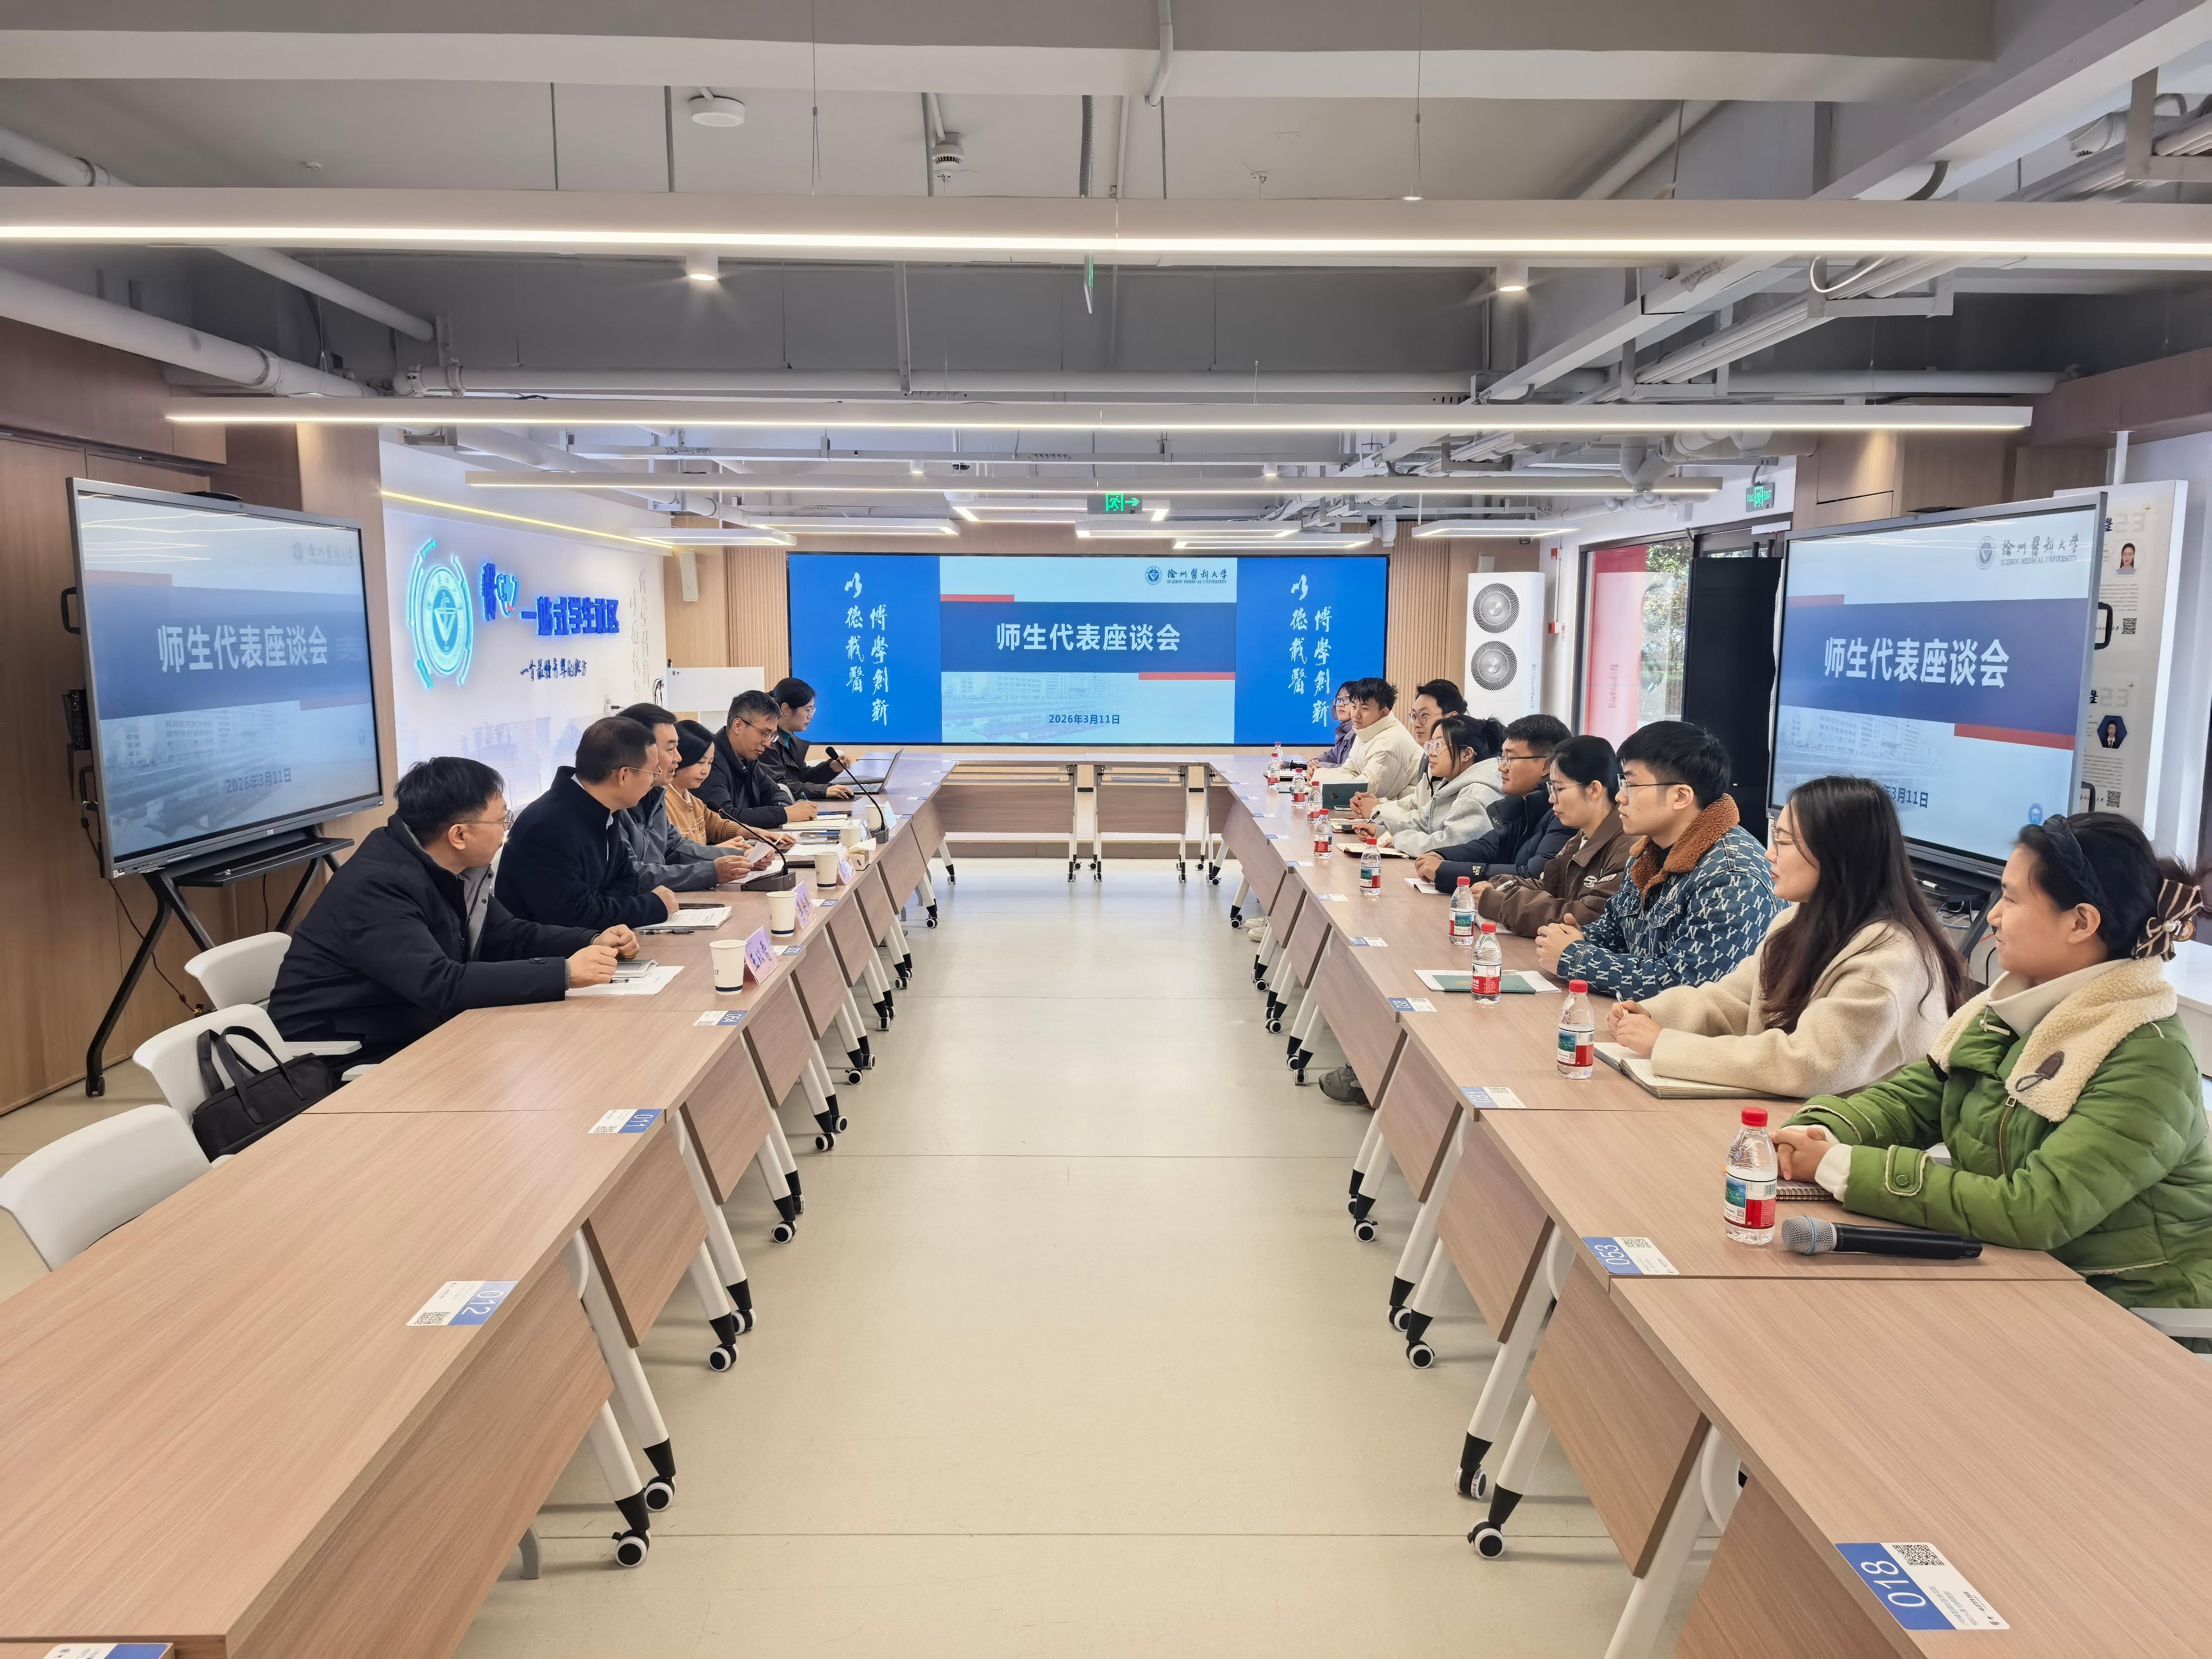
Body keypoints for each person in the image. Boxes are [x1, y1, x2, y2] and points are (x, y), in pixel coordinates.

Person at [1774, 813, 2212, 1310]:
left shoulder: (2149, 1057)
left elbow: (2037, 1210)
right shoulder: (2011, 1009)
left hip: (2128, 1307)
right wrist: (1821, 1131)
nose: (1995, 916)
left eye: (2012, 898)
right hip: (2021, 1274)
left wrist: (1844, 1167)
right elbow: (1914, 1101)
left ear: (2081, 922)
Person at [1605, 774, 1967, 1098]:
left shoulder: (1888, 960)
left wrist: (1664, 1043)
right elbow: (1735, 1001)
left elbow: (1808, 1064)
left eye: (1783, 842)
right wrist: (1654, 1013)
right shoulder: (1797, 919)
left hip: (1853, 1138)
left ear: (1836, 853)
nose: (1769, 854)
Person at [269, 757, 632, 1064]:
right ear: (459, 835)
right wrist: (563, 973)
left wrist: (590, 940)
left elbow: (507, 935)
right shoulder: (377, 886)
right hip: (344, 1056)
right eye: (501, 820)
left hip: (410, 1028)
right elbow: (439, 984)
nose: (506, 831)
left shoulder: (452, 868)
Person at [1540, 720, 1781, 998]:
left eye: (1631, 785)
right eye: (1622, 783)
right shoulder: (1648, 852)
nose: (1620, 797)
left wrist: (1576, 958)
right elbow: (1616, 930)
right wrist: (1577, 938)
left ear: (1681, 796)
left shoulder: (1733, 876)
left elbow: (1688, 985)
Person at [494, 716, 680, 930]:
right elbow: (572, 916)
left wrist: (598, 905)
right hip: (550, 949)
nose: (654, 779)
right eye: (653, 772)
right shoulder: (548, 826)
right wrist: (653, 906)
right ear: (624, 775)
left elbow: (628, 881)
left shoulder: (605, 810)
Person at [1472, 734, 1635, 937]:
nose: (1551, 799)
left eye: (1559, 788)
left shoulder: (1628, 846)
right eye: (1551, 788)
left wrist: (1500, 903)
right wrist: (1498, 885)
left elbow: (1590, 917)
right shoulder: (1582, 837)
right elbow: (1549, 885)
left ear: (1594, 789)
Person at [614, 702, 764, 891]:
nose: (679, 758)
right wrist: (712, 871)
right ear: (638, 753)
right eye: (671, 749)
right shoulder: (612, 808)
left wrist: (739, 858)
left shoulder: (654, 795)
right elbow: (632, 875)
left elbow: (675, 848)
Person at [1415, 713, 1573, 890]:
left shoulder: (1565, 815)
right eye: (1502, 757)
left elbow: (1531, 876)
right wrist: (1441, 855)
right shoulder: (1521, 804)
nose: (1502, 767)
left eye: (1510, 759)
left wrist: (1446, 870)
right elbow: (1486, 847)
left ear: (1546, 766)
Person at [1372, 714, 1503, 856]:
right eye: (1430, 745)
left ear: (1467, 754)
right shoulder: (1452, 783)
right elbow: (1425, 825)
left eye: (1438, 746)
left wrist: (1401, 839)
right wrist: (1382, 830)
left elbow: (1452, 845)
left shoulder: (1474, 795)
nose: (1430, 753)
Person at [1350, 678, 1468, 821]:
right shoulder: (1429, 755)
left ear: (1452, 718)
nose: (1417, 724)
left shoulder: (1465, 762)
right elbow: (1417, 802)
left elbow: (1430, 820)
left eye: (1424, 716)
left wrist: (1377, 810)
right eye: (1414, 716)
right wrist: (1378, 805)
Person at [698, 689, 817, 829]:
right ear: (738, 726)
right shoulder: (709, 761)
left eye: (772, 735)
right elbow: (723, 817)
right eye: (764, 734)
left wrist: (782, 810)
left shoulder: (748, 759)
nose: (767, 743)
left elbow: (776, 792)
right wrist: (783, 814)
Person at [667, 719, 763, 851]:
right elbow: (675, 855)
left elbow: (718, 826)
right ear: (679, 758)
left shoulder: (694, 802)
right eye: (700, 762)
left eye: (710, 763)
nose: (705, 771)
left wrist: (756, 833)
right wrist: (718, 850)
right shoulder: (663, 804)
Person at [761, 677, 856, 804]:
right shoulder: (767, 743)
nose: (810, 716)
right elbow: (779, 785)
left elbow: (802, 777)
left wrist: (831, 768)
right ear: (786, 709)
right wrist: (823, 791)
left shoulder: (790, 740)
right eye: (808, 710)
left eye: (812, 710)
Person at [1341, 678, 1424, 803]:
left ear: (1384, 713)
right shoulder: (1368, 729)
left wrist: (1320, 780)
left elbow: (1365, 791)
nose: (1356, 714)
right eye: (1354, 706)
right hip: (1388, 809)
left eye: (1364, 709)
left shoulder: (1388, 744)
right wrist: (1319, 776)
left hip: (1405, 810)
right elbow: (1349, 770)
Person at [1315, 681, 1357, 766]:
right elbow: (1331, 757)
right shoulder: (1343, 733)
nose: (1341, 704)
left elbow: (1346, 770)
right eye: (1338, 700)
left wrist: (1320, 767)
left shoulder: (1357, 734)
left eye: (1346, 699)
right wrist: (1313, 763)